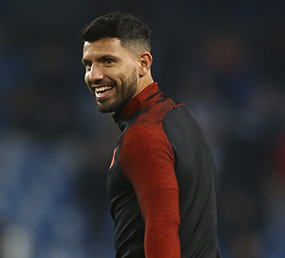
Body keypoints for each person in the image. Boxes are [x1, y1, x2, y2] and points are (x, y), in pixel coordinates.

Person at [80, 11, 221, 258]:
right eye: (89, 64)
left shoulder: (143, 136)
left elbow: (163, 229)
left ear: (143, 63)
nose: (94, 76)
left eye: (108, 62)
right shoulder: (183, 119)